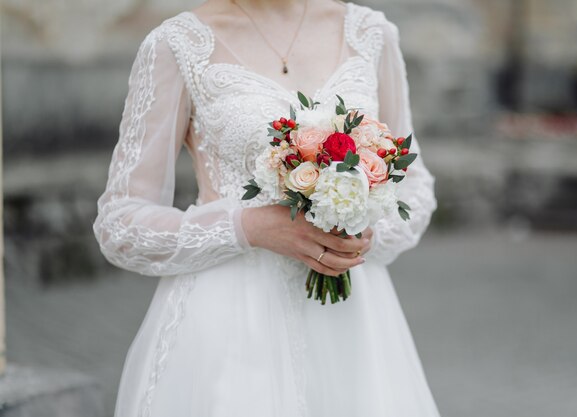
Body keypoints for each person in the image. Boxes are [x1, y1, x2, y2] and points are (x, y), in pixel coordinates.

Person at [93, 0, 439, 415]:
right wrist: (248, 227)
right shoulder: (177, 44)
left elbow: (413, 183)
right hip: (231, 322)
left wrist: (363, 225)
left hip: (353, 324)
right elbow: (120, 225)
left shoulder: (372, 34)